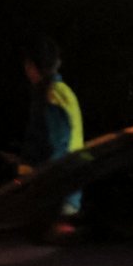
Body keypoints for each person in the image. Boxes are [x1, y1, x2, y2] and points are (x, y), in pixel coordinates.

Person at [16, 35, 83, 174]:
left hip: (57, 180)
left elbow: (56, 147)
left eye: (27, 64)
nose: (26, 70)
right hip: (71, 176)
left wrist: (32, 171)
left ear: (33, 65)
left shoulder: (50, 95)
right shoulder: (63, 91)